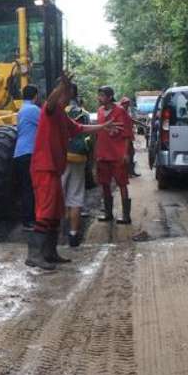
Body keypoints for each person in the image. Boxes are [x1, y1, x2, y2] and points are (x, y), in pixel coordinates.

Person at [26, 75, 120, 270]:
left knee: (55, 212)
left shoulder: (62, 114)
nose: (71, 97)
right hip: (44, 167)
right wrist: (62, 85)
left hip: (55, 168)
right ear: (61, 94)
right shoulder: (50, 110)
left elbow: (81, 128)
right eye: (68, 93)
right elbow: (51, 101)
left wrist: (103, 126)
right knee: (45, 211)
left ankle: (50, 252)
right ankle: (34, 255)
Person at [95, 86, 134, 224]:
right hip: (102, 155)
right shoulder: (99, 111)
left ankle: (126, 215)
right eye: (99, 95)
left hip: (117, 154)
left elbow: (128, 134)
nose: (99, 98)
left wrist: (125, 153)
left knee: (122, 183)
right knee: (104, 184)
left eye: (101, 95)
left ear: (110, 97)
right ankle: (108, 213)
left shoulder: (120, 111)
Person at [63, 84, 91, 247]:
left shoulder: (57, 112)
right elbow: (89, 138)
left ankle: (59, 232)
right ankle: (73, 234)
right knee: (75, 196)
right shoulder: (84, 114)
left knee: (60, 194)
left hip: (61, 158)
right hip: (79, 158)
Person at [13, 84, 40, 230]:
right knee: (30, 187)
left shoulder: (21, 110)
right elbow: (46, 124)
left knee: (26, 187)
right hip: (29, 153)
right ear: (36, 96)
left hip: (20, 153)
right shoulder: (33, 109)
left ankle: (28, 219)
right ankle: (29, 220)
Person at [119, 97, 141, 177]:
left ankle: (130, 171)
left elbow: (131, 120)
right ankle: (127, 172)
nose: (127, 105)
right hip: (123, 137)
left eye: (128, 103)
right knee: (127, 154)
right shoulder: (120, 112)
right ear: (123, 104)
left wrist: (143, 124)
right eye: (126, 103)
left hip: (128, 136)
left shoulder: (126, 112)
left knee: (131, 153)